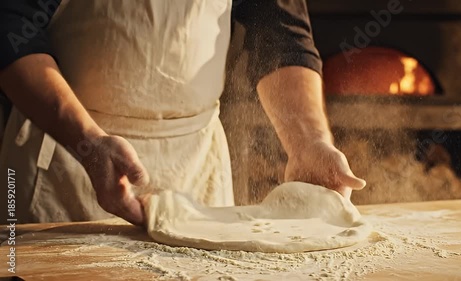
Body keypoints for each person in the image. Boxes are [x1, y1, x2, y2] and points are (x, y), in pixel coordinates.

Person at [0, 0, 365, 225]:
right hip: (68, 159)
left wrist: (307, 142)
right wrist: (88, 143)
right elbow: (11, 29)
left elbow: (282, 33)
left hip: (195, 167)